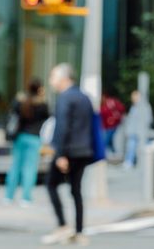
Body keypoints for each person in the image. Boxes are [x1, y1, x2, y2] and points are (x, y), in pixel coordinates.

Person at [41, 63, 94, 246]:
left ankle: (63, 225)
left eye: (53, 76)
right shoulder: (84, 97)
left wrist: (60, 154)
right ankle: (79, 231)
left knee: (51, 184)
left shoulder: (65, 98)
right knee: (76, 190)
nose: (51, 81)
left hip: (67, 151)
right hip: (84, 151)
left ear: (64, 78)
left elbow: (62, 127)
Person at [4, 79, 50, 207]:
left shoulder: (20, 101)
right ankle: (26, 198)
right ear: (39, 89)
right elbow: (47, 119)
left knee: (15, 166)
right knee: (30, 168)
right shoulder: (42, 105)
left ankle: (8, 196)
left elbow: (12, 115)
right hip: (34, 138)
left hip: (20, 137)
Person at [122, 90, 153, 169]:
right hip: (133, 132)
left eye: (134, 97)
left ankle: (131, 162)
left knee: (136, 147)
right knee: (131, 147)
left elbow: (147, 119)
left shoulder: (144, 106)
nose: (133, 98)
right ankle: (131, 162)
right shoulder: (134, 106)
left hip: (139, 132)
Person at [99, 93, 126, 158]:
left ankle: (109, 155)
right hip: (106, 126)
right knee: (109, 141)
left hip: (112, 125)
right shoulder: (102, 105)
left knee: (105, 141)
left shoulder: (110, 102)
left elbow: (121, 109)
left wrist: (114, 118)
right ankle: (113, 154)